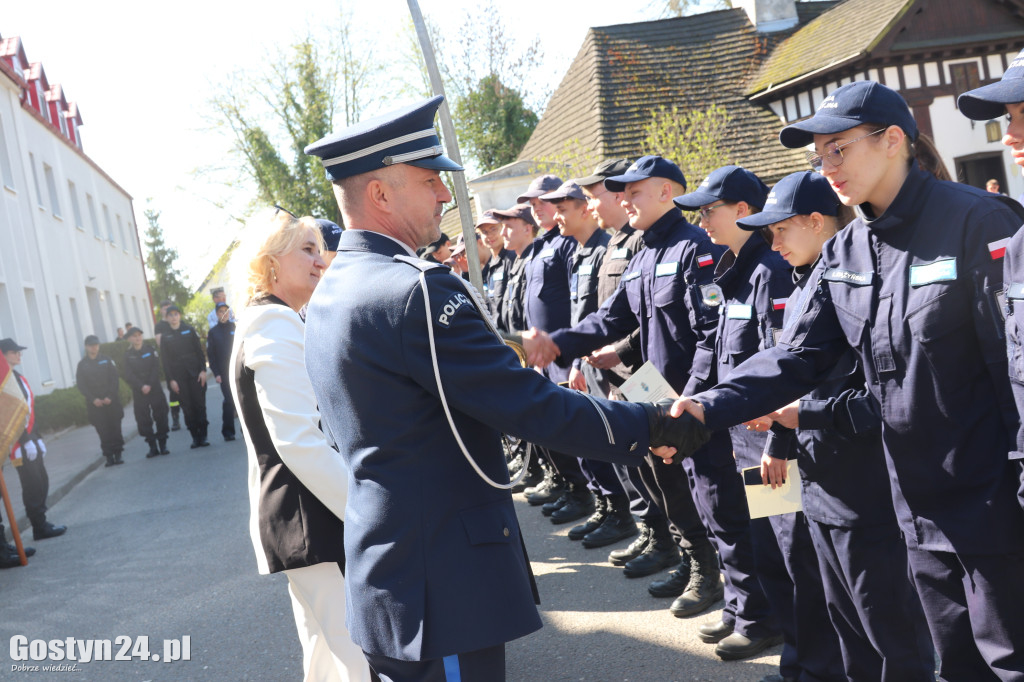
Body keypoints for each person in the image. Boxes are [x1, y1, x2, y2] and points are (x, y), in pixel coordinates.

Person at [302, 95, 701, 681]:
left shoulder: (332, 292)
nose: (445, 194)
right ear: (381, 194)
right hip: (445, 581)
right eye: (429, 179)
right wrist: (654, 425)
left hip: (393, 567)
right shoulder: (414, 292)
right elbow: (525, 403)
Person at [666, 80, 1024, 680]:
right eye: (819, 155)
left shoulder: (977, 221)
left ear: (892, 142)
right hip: (913, 510)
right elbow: (797, 356)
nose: (828, 165)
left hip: (990, 504)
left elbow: (1013, 371)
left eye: (839, 149)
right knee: (959, 667)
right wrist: (706, 406)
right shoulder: (848, 250)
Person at [540, 157, 782, 656]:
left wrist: (687, 398)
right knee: (707, 505)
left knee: (732, 511)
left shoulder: (698, 249)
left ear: (668, 191)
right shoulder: (645, 253)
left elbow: (708, 339)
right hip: (668, 404)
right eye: (621, 193)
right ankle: (739, 605)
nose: (624, 200)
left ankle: (758, 614)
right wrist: (554, 343)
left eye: (634, 191)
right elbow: (615, 320)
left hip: (705, 407)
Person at [739, 170, 934, 681]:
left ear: (817, 221)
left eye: (780, 230)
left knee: (890, 631)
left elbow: (883, 397)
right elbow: (788, 372)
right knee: (842, 623)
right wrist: (781, 436)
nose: (772, 243)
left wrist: (800, 417)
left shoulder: (854, 283)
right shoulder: (803, 282)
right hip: (817, 483)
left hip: (864, 492)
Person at [229, 208, 373, 682]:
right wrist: (365, 510)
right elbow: (300, 442)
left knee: (326, 660)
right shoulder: (274, 322)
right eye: (307, 250)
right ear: (271, 263)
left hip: (303, 520)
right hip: (312, 519)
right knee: (359, 658)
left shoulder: (271, 318)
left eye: (320, 249)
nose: (320, 260)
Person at [2, 338, 66, 541]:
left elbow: (29, 410)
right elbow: (10, 415)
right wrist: (26, 439)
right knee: (32, 484)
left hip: (31, 439)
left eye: (20, 352)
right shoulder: (4, 382)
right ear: (3, 355)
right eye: (14, 352)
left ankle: (42, 521)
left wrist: (36, 437)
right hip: (19, 444)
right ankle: (39, 526)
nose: (19, 354)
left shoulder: (18, 377)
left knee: (41, 481)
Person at [160, 306, 209, 449]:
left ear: (179, 316)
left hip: (195, 374)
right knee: (187, 408)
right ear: (167, 318)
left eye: (176, 314)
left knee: (199, 405)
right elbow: (165, 361)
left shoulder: (189, 329)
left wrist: (203, 370)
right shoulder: (165, 336)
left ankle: (203, 435)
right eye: (171, 315)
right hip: (178, 377)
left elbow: (199, 351)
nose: (174, 317)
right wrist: (171, 380)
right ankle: (195, 437)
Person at [76, 335, 125, 467]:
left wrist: (110, 396)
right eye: (91, 345)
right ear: (86, 347)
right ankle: (109, 456)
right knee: (103, 431)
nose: (94, 347)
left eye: (96, 345)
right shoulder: (82, 365)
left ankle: (118, 454)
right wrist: (93, 399)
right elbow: (81, 385)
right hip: (95, 405)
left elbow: (115, 379)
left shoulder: (107, 360)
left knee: (115, 428)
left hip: (111, 402)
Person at [123, 326, 170, 457]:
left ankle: (163, 443)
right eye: (134, 336)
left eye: (139, 335)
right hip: (139, 391)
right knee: (143, 419)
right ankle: (152, 446)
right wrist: (141, 386)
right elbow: (128, 374)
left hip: (154, 387)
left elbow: (156, 369)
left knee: (161, 414)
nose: (138, 338)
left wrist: (148, 384)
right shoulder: (128, 355)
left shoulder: (150, 350)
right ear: (129, 339)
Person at [206, 302, 237, 442]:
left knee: (244, 400)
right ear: (217, 314)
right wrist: (216, 373)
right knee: (229, 401)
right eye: (220, 311)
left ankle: (247, 429)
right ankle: (228, 431)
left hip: (238, 370)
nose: (223, 313)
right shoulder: (213, 333)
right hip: (224, 374)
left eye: (226, 310)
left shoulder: (235, 327)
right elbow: (211, 356)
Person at [154, 301, 183, 432]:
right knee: (174, 394)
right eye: (165, 309)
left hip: (183, 363)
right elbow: (161, 344)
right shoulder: (160, 326)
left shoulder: (177, 322)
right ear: (161, 311)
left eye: (170, 309)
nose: (168, 311)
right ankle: (175, 417)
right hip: (170, 363)